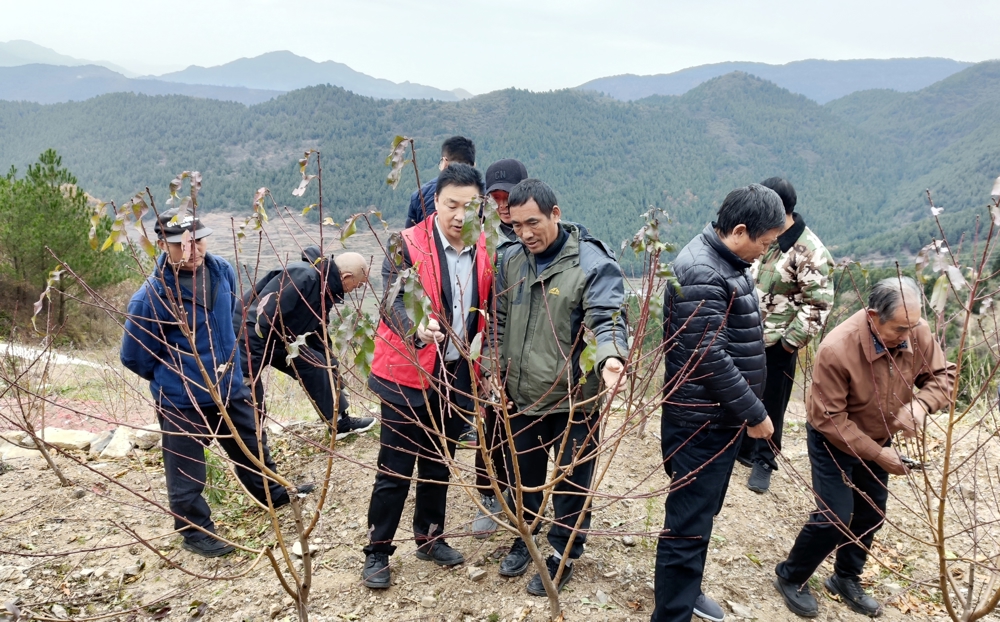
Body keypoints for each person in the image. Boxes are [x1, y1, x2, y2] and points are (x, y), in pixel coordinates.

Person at [121, 209, 308, 558]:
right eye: (183, 243)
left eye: (199, 239)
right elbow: (135, 356)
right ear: (163, 245)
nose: (194, 248)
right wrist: (177, 378)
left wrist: (234, 368)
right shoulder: (151, 296)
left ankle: (272, 494)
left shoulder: (221, 271)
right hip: (182, 397)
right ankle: (194, 531)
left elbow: (232, 321)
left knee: (251, 443)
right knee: (185, 466)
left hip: (229, 383)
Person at [773, 277, 955, 618]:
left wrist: (920, 405)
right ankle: (790, 576)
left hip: (879, 436)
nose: (908, 336)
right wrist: (879, 454)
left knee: (872, 512)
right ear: (873, 316)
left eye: (913, 326)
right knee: (835, 516)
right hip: (833, 440)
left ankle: (845, 578)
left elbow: (943, 378)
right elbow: (830, 419)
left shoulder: (915, 330)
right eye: (900, 329)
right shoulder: (837, 349)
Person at [652, 184, 785, 622]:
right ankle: (672, 613)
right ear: (741, 229)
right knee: (686, 527)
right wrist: (756, 413)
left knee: (700, 516)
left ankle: (685, 594)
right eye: (764, 244)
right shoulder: (703, 272)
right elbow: (707, 357)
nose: (764, 253)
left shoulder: (727, 260)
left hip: (714, 420)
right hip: (700, 423)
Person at [491, 178, 629, 596]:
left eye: (533, 222)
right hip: (520, 395)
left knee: (571, 483)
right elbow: (497, 319)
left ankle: (563, 553)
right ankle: (525, 538)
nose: (526, 234)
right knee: (524, 475)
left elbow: (607, 317)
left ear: (556, 213)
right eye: (516, 226)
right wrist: (492, 369)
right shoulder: (511, 260)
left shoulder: (591, 264)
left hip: (574, 402)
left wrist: (611, 357)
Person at [361, 163, 494, 589]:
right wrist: (415, 329)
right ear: (435, 202)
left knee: (439, 460)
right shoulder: (406, 243)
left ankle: (430, 536)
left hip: (457, 373)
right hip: (407, 373)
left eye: (468, 206)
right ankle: (377, 550)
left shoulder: (483, 246)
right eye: (451, 204)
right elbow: (390, 299)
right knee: (395, 467)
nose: (459, 215)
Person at [737, 177, 835, 493]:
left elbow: (819, 302)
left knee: (772, 402)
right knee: (741, 394)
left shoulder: (808, 250)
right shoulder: (763, 238)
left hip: (778, 342)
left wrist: (789, 342)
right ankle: (742, 450)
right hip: (746, 334)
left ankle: (765, 460)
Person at [235, 247, 374, 440]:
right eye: (357, 285)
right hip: (248, 337)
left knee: (318, 365)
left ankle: (340, 422)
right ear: (346, 276)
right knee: (252, 402)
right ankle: (249, 447)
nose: (354, 291)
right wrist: (247, 370)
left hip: (281, 341)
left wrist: (330, 365)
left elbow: (317, 334)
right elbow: (258, 319)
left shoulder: (325, 290)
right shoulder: (303, 277)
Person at [470, 158, 529, 537]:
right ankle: (489, 491)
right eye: (496, 197)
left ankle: (519, 489)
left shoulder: (534, 227)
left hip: (528, 342)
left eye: (509, 196)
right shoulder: (479, 236)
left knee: (524, 423)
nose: (503, 205)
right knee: (491, 422)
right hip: (489, 342)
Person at [403, 136, 476, 228]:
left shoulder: (419, 196)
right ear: (474, 166)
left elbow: (408, 237)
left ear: (445, 162)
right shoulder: (485, 195)